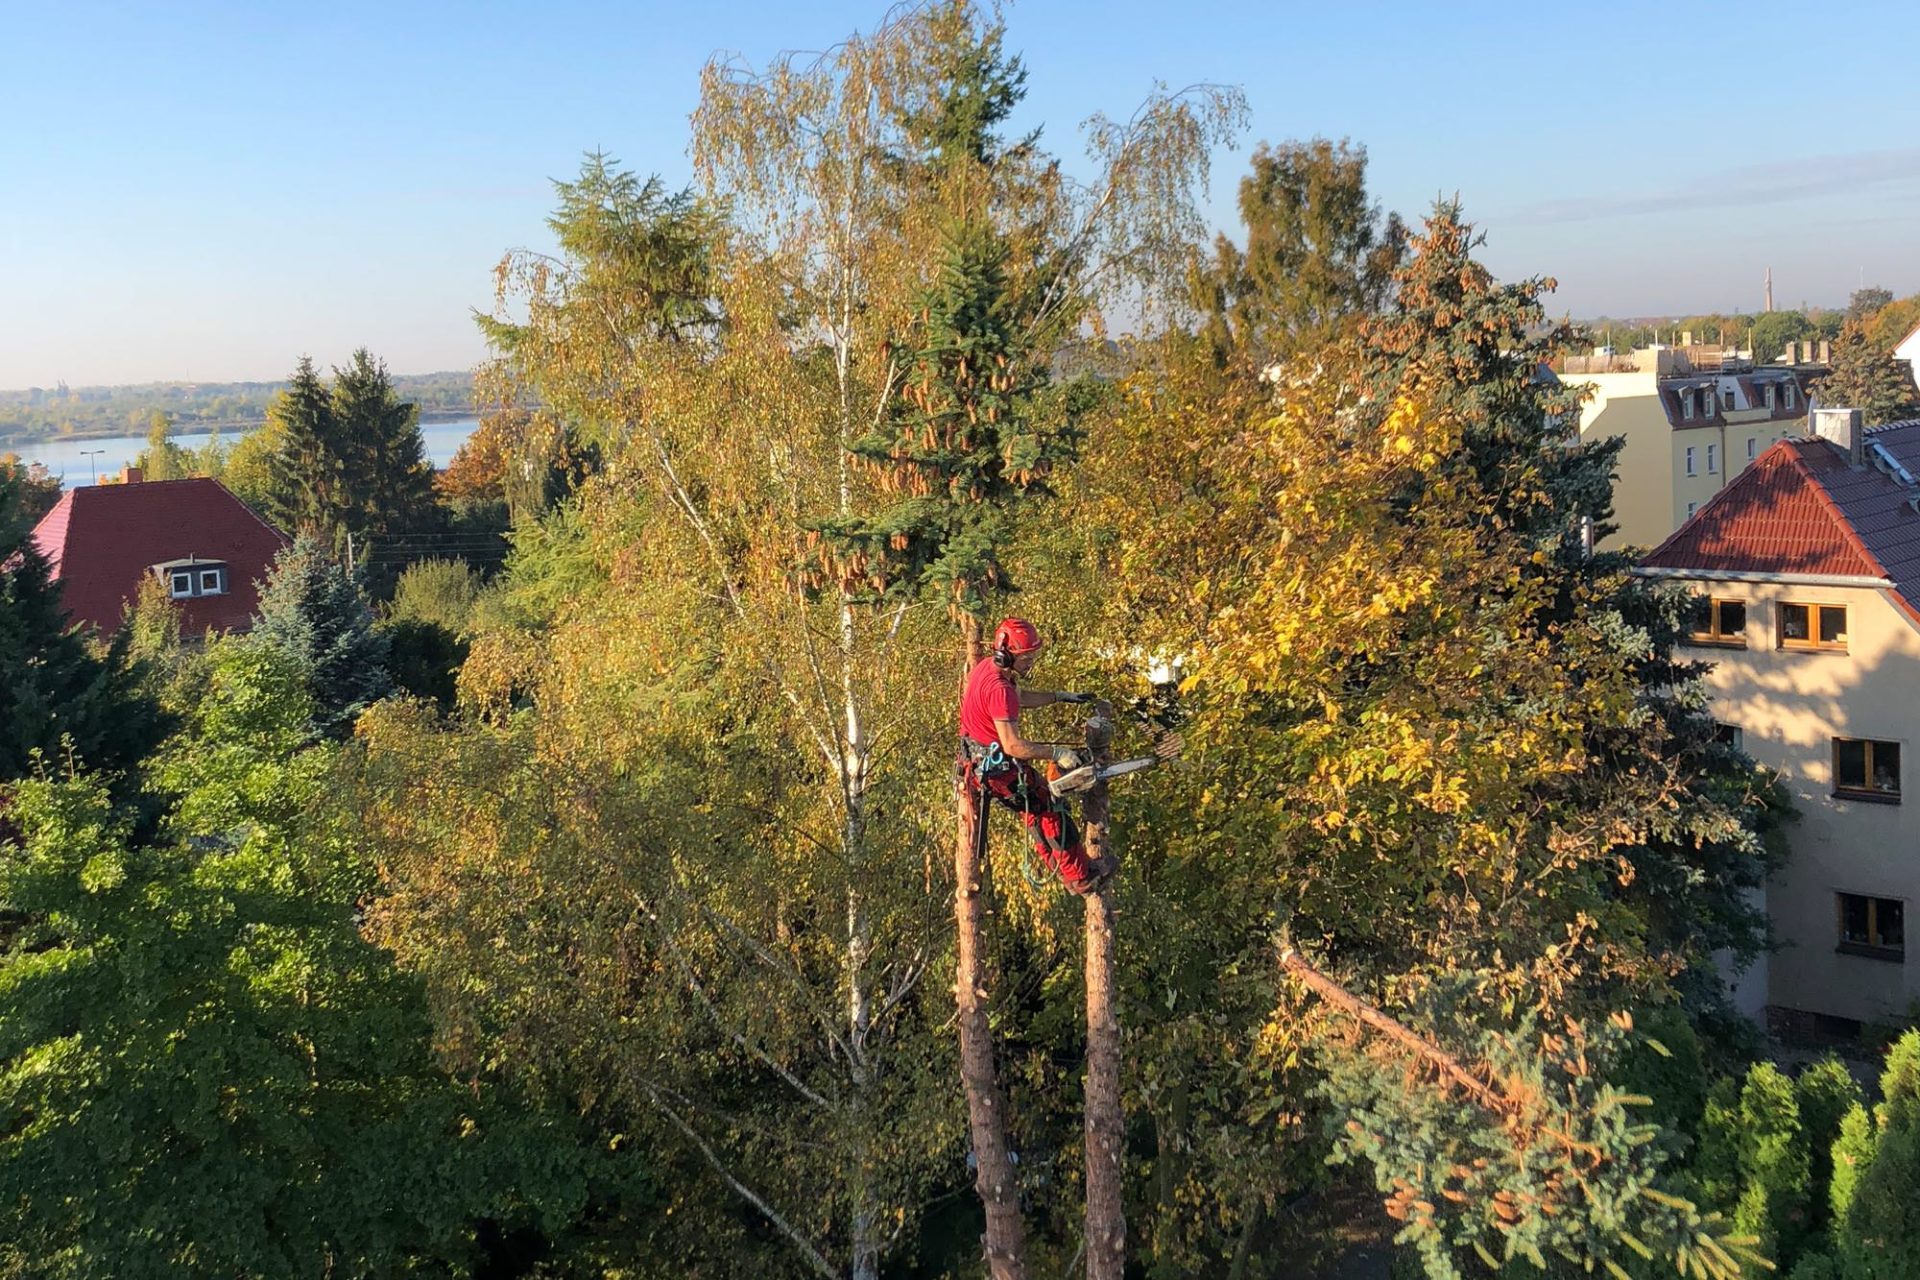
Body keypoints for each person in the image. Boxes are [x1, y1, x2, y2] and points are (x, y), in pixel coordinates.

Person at [958, 617, 1118, 895]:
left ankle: (1064, 868)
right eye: (1025, 657)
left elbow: (1018, 697)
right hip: (997, 769)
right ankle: (1081, 877)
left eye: (1033, 655)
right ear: (1006, 654)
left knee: (1035, 805)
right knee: (1051, 805)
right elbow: (1013, 746)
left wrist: (1058, 696)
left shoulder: (988, 669)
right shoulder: (999, 689)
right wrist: (1056, 752)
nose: (1030, 661)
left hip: (977, 762)